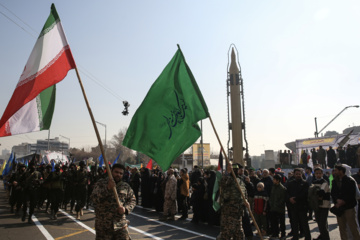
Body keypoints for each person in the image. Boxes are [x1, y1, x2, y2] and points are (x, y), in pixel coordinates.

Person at [91, 163, 136, 240]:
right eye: (116, 172)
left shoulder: (125, 186)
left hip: (120, 224)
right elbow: (94, 198)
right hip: (104, 225)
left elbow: (132, 200)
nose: (118, 175)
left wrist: (126, 209)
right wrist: (108, 188)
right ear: (111, 171)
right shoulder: (101, 183)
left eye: (121, 173)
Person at [217, 163, 248, 240]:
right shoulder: (227, 179)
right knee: (226, 234)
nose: (239, 171)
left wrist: (246, 201)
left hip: (238, 212)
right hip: (229, 213)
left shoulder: (240, 180)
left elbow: (244, 193)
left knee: (240, 236)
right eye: (236, 169)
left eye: (238, 169)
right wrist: (228, 172)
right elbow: (223, 183)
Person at [331, 164, 360, 240]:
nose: (335, 172)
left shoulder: (350, 181)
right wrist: (337, 201)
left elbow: (352, 194)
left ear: (341, 171)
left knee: (353, 228)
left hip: (349, 207)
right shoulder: (334, 181)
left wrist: (343, 201)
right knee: (342, 228)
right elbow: (333, 193)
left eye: (336, 170)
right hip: (339, 208)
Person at [287, 168, 311, 240]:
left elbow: (305, 194)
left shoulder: (305, 183)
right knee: (294, 223)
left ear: (301, 174)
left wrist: (295, 198)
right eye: (296, 174)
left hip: (302, 206)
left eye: (299, 174)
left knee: (304, 223)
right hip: (293, 206)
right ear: (294, 174)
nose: (298, 175)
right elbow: (287, 193)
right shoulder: (290, 183)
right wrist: (290, 198)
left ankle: (307, 237)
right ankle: (295, 237)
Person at [312, 167, 330, 240]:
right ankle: (322, 236)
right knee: (320, 222)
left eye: (320, 173)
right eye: (317, 173)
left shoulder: (324, 182)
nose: (318, 175)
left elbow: (321, 192)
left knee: (322, 223)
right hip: (317, 205)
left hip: (324, 205)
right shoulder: (314, 182)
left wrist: (315, 194)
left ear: (322, 174)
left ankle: (326, 238)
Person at [269, 174, 286, 240]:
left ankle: (283, 234)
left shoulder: (282, 188)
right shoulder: (273, 186)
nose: (273, 180)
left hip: (280, 209)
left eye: (274, 179)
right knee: (274, 222)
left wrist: (277, 205)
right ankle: (275, 234)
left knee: (282, 223)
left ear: (278, 180)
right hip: (273, 208)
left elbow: (282, 199)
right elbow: (271, 196)